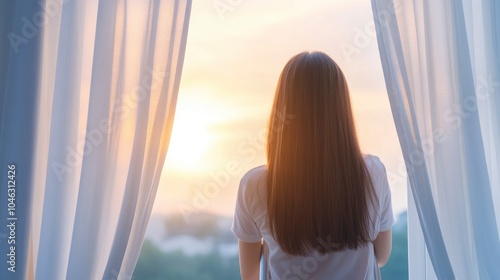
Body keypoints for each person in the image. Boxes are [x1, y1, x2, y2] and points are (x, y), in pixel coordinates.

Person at [231, 51, 394, 280]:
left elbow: (249, 275)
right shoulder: (373, 172)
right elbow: (382, 256)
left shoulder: (254, 185)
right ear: (341, 109)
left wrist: (274, 242)